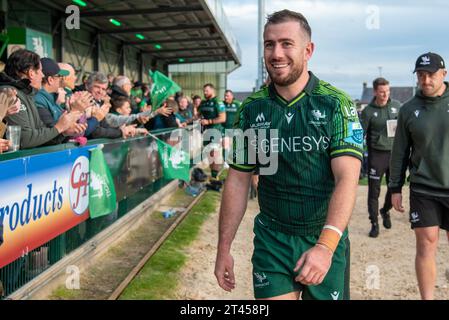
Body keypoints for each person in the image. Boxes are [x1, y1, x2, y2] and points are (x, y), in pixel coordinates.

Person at [214, 10, 363, 300]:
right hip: (272, 238)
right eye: (269, 44)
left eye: (286, 43)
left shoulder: (336, 104)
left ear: (308, 50)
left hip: (322, 238)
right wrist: (223, 249)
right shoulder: (252, 109)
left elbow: (347, 178)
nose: (276, 53)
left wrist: (325, 246)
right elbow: (238, 180)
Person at [389, 52, 449, 300]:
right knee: (426, 243)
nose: (425, 80)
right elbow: (400, 150)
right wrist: (394, 187)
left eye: (431, 75)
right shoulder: (408, 109)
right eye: (421, 75)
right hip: (423, 187)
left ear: (443, 74)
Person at [0, 49, 81, 149]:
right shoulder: (10, 94)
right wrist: (59, 127)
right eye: (40, 71)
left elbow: (40, 133)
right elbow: (24, 140)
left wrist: (63, 132)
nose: (43, 75)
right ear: (31, 73)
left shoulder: (27, 94)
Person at [361, 78, 401, 237]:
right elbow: (360, 134)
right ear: (375, 92)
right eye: (382, 92)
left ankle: (385, 210)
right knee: (373, 192)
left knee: (393, 188)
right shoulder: (368, 111)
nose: (385, 95)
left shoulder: (397, 106)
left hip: (395, 155)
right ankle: (374, 223)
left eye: (388, 91)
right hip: (376, 156)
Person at [198, 83, 226, 181]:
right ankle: (213, 173)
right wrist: (186, 122)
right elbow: (197, 115)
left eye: (207, 91)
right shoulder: (203, 103)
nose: (205, 93)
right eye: (204, 91)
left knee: (214, 153)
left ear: (212, 90)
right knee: (210, 154)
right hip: (206, 132)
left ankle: (215, 175)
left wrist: (209, 121)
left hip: (216, 131)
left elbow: (223, 118)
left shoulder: (218, 102)